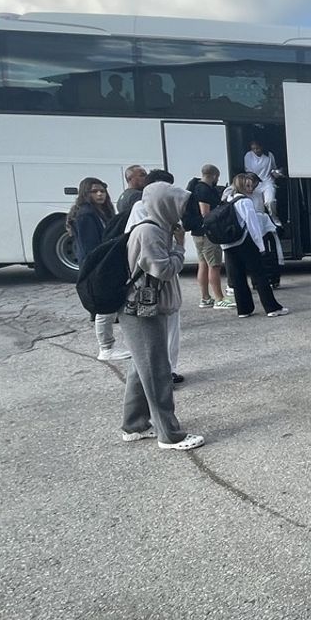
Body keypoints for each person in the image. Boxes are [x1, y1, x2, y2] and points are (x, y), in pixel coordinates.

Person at [118, 181, 204, 451]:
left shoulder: (155, 228)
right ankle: (169, 434)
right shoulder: (150, 232)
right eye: (177, 206)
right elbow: (164, 270)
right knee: (156, 371)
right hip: (142, 311)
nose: (181, 212)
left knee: (141, 368)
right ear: (164, 205)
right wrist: (179, 247)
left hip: (141, 309)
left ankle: (134, 425)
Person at [126, 169, 185, 384]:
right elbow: (164, 268)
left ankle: (167, 371)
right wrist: (179, 246)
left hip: (161, 292)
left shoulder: (162, 220)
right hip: (151, 293)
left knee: (166, 337)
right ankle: (161, 378)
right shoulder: (147, 221)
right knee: (152, 351)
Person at [67, 177, 130, 361]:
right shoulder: (86, 214)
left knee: (111, 306)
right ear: (86, 194)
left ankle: (110, 345)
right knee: (104, 308)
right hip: (97, 266)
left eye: (102, 190)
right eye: (95, 191)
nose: (100, 194)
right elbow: (91, 246)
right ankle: (106, 347)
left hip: (102, 263)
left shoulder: (99, 211)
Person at [221, 174, 288, 318]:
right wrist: (260, 245)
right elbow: (253, 226)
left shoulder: (228, 199)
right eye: (247, 186)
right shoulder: (245, 202)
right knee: (259, 275)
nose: (251, 189)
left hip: (229, 244)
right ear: (241, 186)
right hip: (244, 242)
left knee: (238, 277)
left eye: (251, 185)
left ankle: (244, 309)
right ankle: (272, 308)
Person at [188, 165, 233, 310]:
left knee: (203, 264)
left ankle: (205, 297)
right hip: (207, 234)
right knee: (214, 265)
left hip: (197, 233)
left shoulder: (195, 187)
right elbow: (205, 213)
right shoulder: (204, 190)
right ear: (214, 175)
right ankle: (219, 298)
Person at [243, 140, 282, 226]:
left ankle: (274, 218)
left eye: (257, 148)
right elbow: (248, 173)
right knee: (258, 208)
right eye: (253, 149)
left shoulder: (269, 155)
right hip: (255, 183)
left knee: (270, 201)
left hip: (267, 182)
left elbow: (273, 168)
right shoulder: (248, 156)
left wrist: (276, 173)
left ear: (262, 147)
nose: (256, 151)